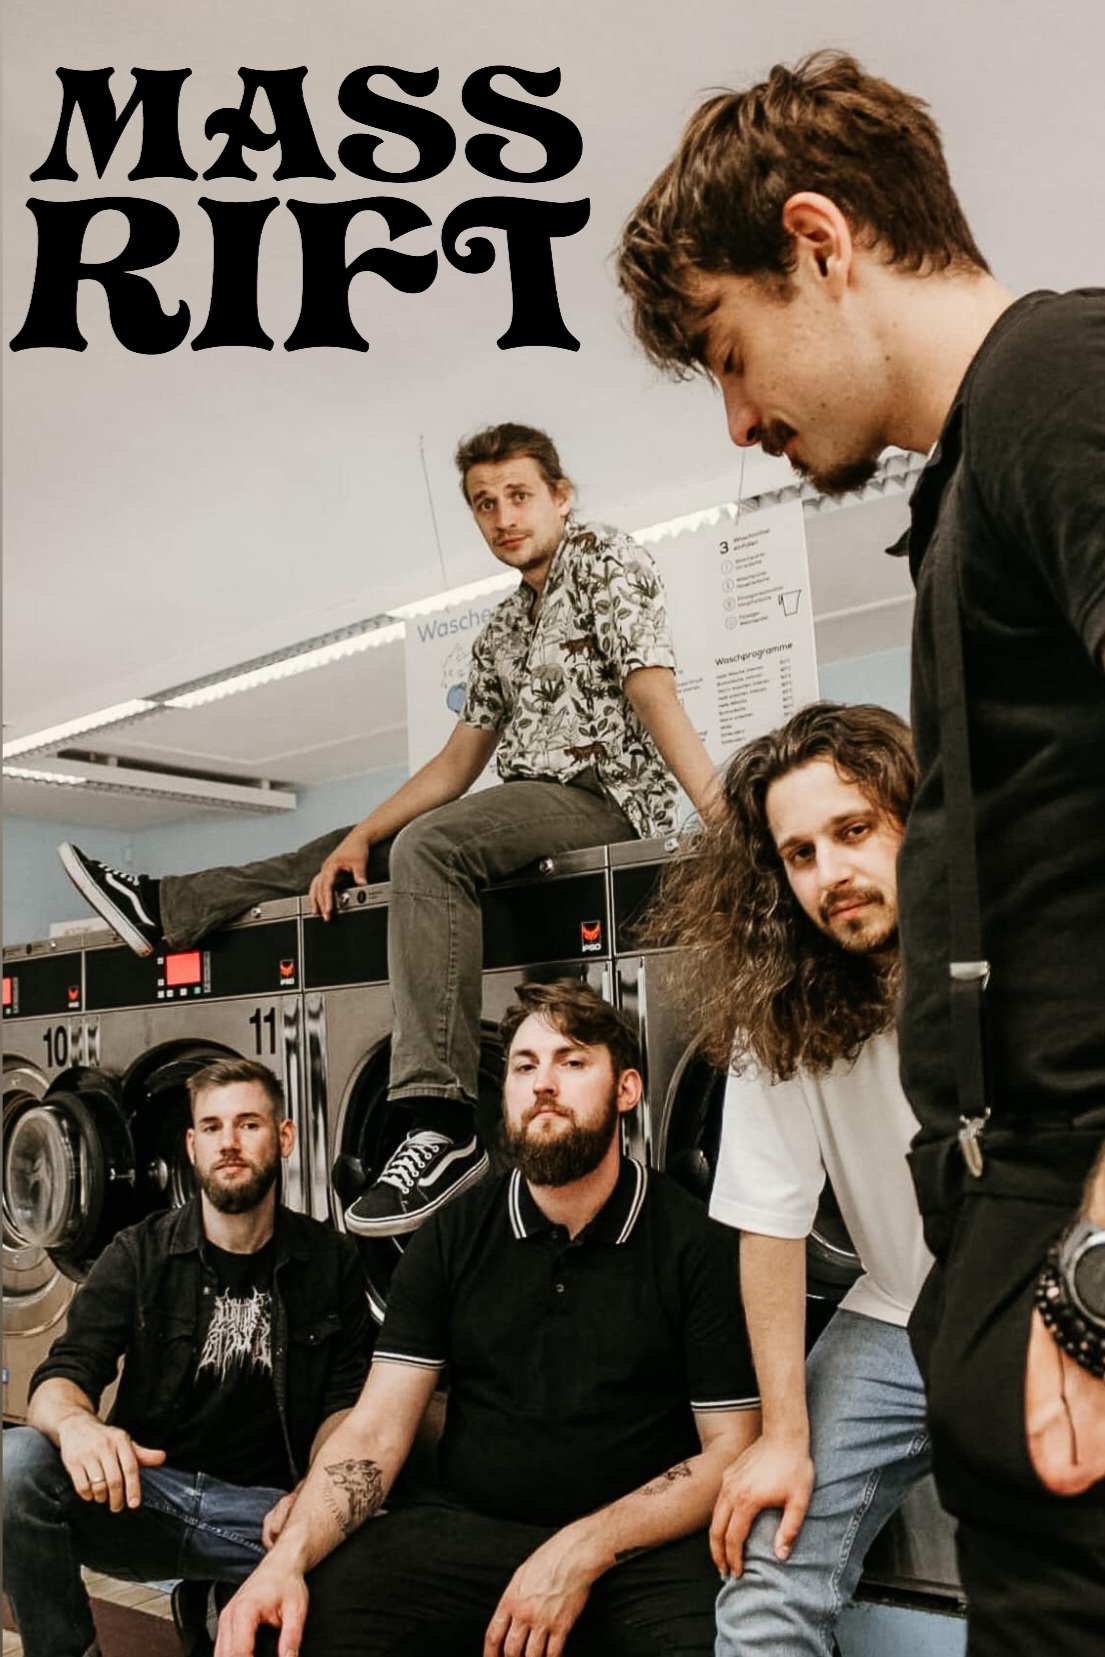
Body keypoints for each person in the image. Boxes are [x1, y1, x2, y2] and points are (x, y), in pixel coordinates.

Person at [616, 48, 1105, 1653]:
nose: (743, 418)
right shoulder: (964, 489)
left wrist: (1094, 1252)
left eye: (730, 355)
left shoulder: (1061, 385)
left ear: (820, 242)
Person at [59, 422, 720, 1241]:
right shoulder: (506, 629)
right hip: (523, 805)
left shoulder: (606, 560)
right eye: (484, 503)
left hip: (603, 802)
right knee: (360, 845)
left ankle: (437, 1122)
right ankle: (166, 906)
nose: (502, 516)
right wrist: (359, 835)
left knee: (429, 845)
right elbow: (454, 764)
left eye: (518, 494)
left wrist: (725, 821)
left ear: (560, 494)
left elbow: (650, 690)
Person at [213, 979, 760, 1657]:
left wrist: (583, 1547)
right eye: (525, 1066)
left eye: (571, 1060)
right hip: (472, 1533)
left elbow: (731, 1449)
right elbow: (378, 1427)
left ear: (626, 1090)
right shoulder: (454, 1234)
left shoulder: (691, 1240)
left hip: (638, 1548)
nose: (543, 1084)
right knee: (300, 1623)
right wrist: (286, 1559)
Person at [644, 701, 933, 1655]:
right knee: (769, 1554)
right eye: (798, 853)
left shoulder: (1012, 958)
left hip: (1050, 1306)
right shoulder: (784, 1004)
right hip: (897, 1313)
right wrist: (782, 1434)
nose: (829, 874)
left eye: (852, 831)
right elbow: (766, 1222)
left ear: (919, 820)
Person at [2, 1058, 373, 1657]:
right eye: (212, 1127)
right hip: (143, 1498)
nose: (228, 1142)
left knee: (375, 1537)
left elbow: (345, 1407)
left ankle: (216, 1597)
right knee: (14, 1464)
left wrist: (314, 1496)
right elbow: (63, 1375)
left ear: (284, 1137)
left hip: (265, 1513)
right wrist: (79, 1428)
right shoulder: (137, 1253)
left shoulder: (331, 1260)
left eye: (248, 1124)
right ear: (191, 1145)